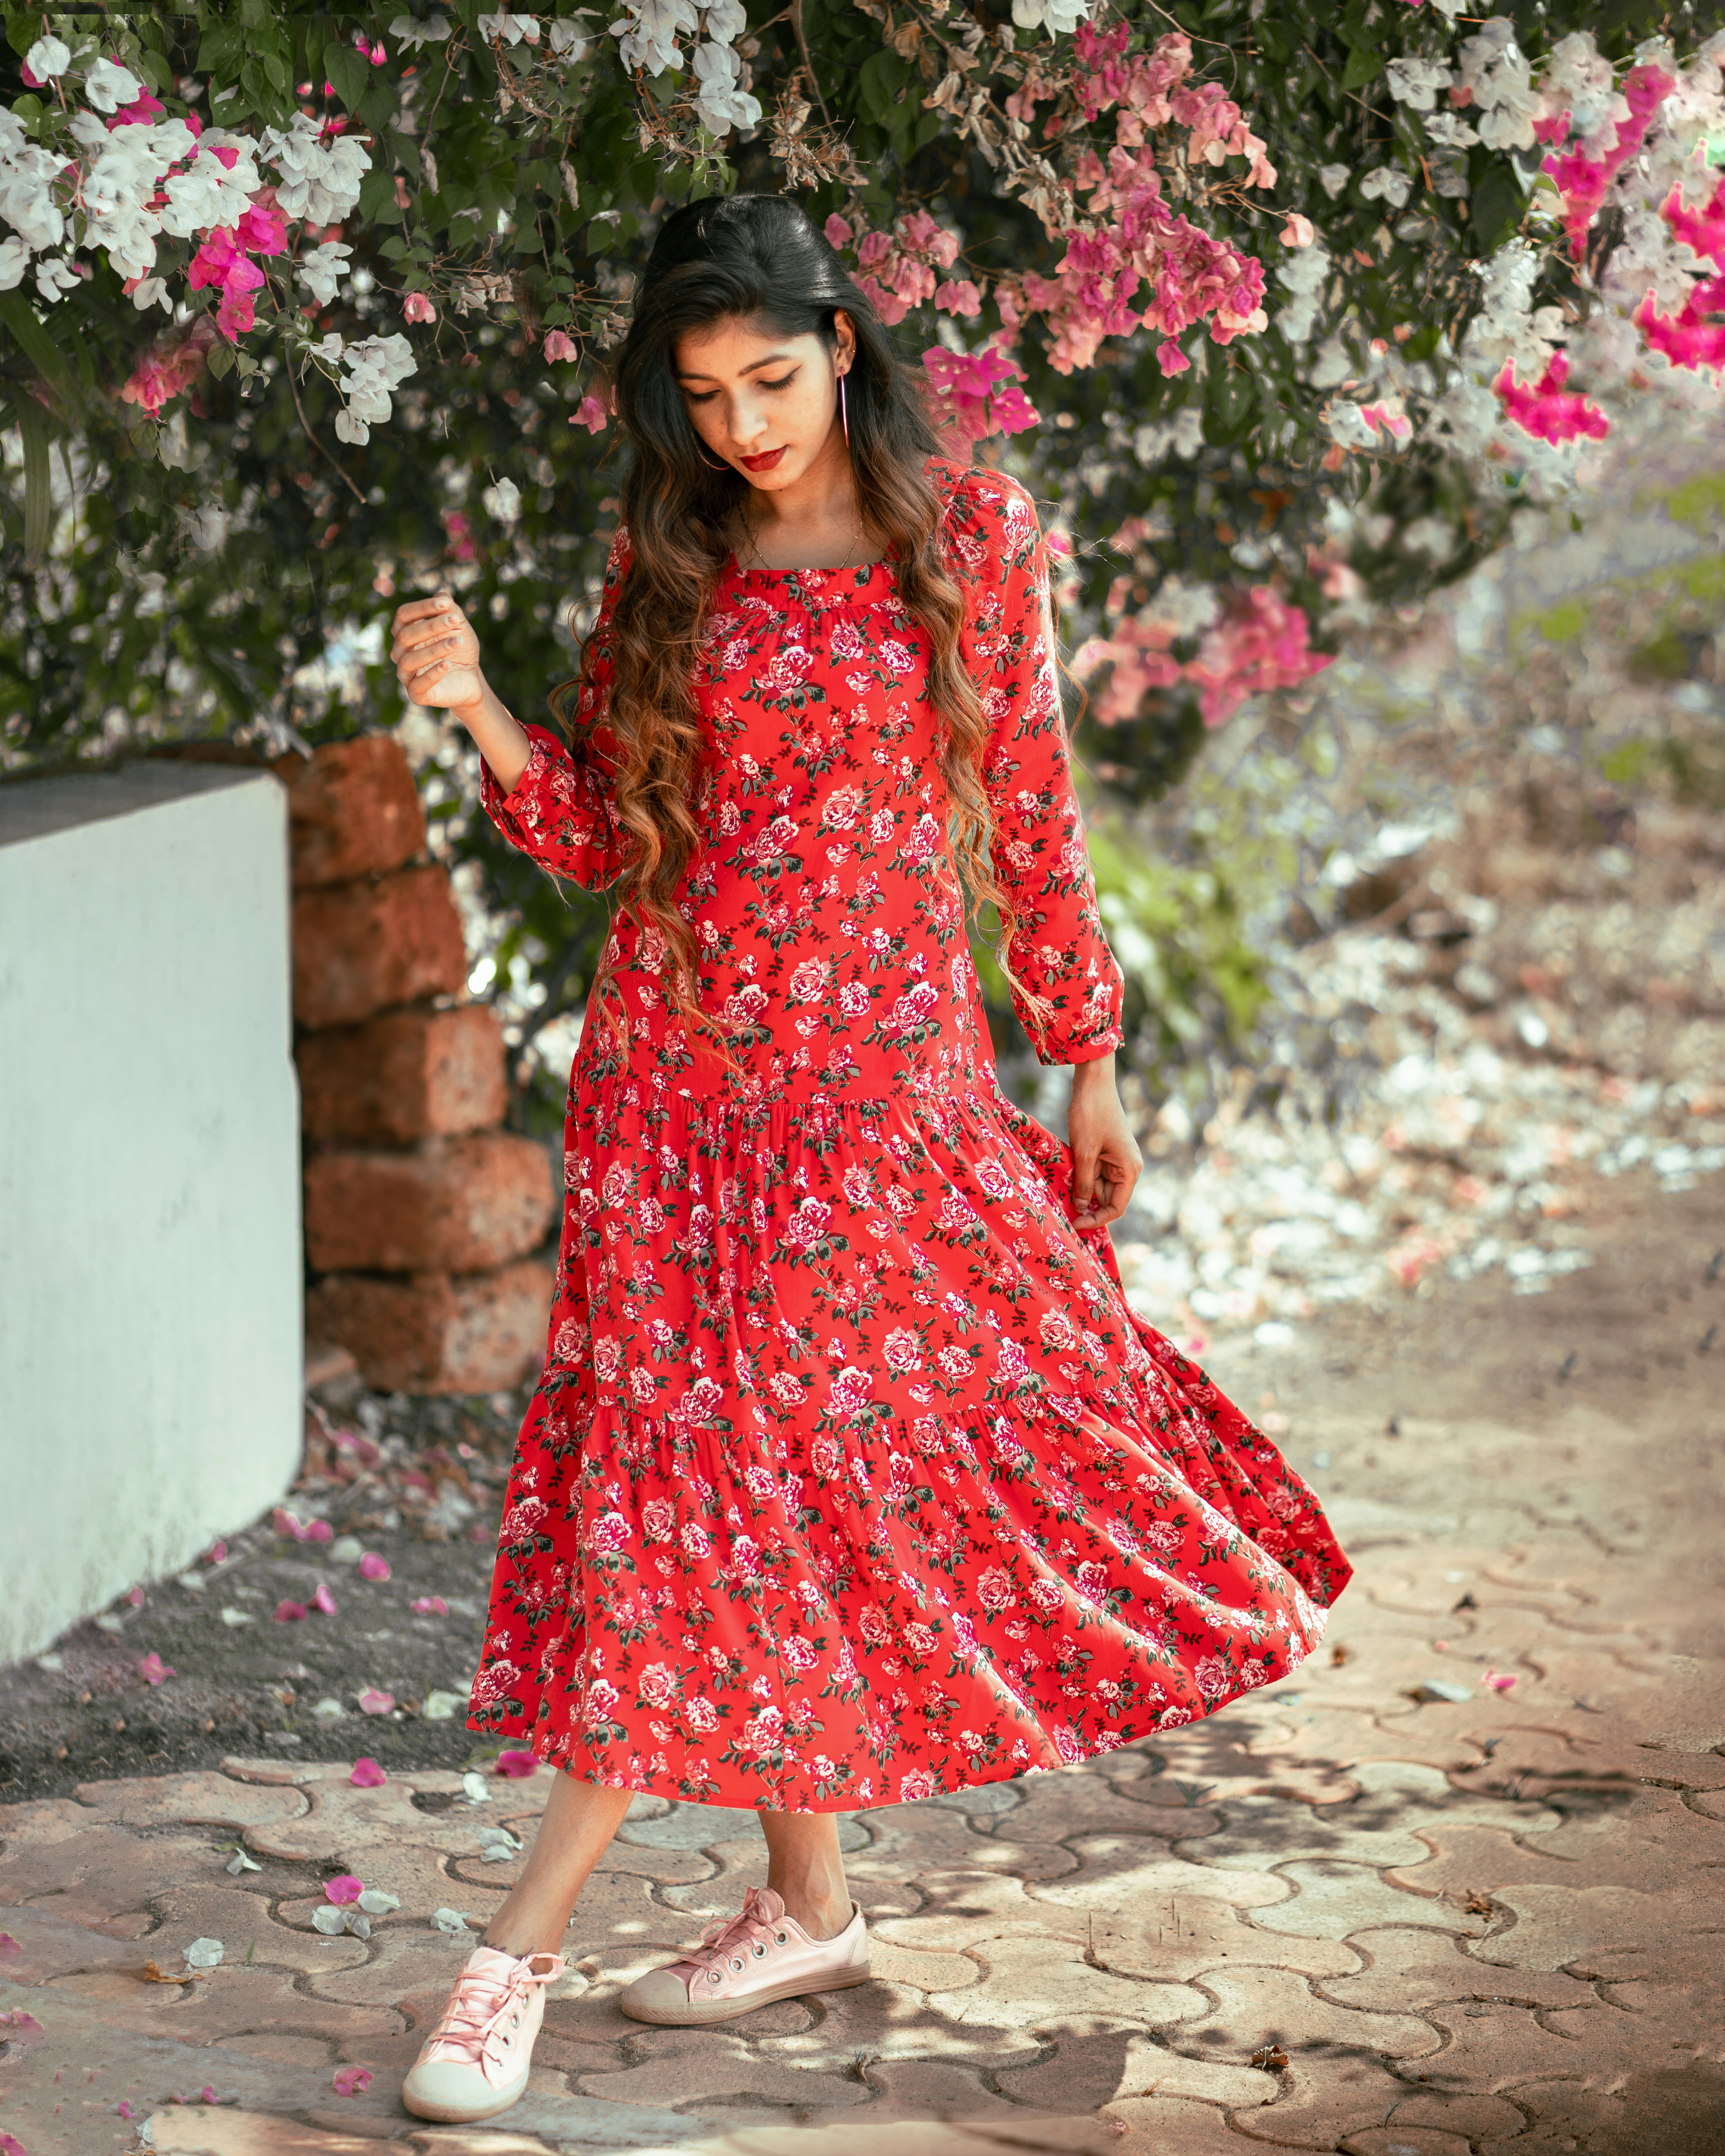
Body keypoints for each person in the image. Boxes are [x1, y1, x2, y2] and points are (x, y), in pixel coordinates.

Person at [386, 192, 1349, 2127]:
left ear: (844, 346)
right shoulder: (671, 556)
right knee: (714, 1491)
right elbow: (596, 833)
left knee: (755, 1493)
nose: (745, 426)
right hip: (670, 1095)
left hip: (877, 1100)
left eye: (772, 378)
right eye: (705, 393)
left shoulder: (968, 540)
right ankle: (805, 1907)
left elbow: (1032, 811)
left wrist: (1083, 1056)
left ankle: (517, 1955)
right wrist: (480, 708)